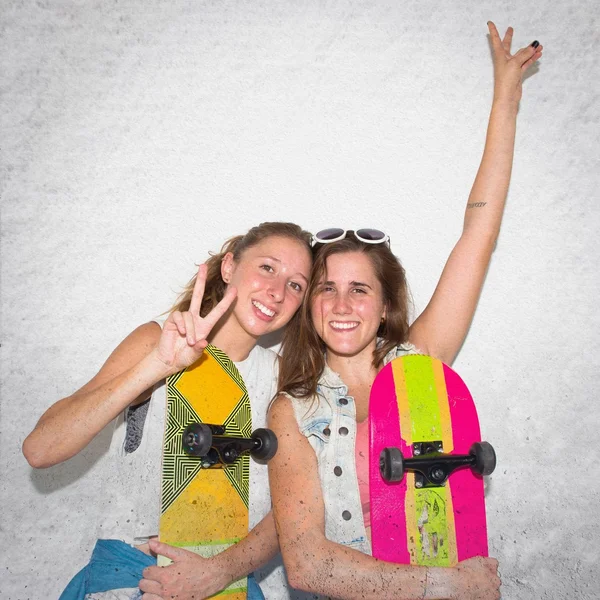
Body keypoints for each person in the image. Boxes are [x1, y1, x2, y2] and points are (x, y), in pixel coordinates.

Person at [269, 23, 542, 600]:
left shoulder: (421, 363)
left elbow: (479, 234)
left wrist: (505, 102)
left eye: (359, 289)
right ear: (308, 306)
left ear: (385, 302)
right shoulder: (292, 412)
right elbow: (309, 567)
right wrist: (446, 586)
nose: (342, 305)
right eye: (325, 288)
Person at [22, 222, 313, 600]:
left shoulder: (283, 383)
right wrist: (157, 365)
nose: (276, 292)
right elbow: (41, 450)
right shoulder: (156, 340)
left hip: (230, 585)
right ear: (229, 267)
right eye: (268, 268)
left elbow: (293, 511)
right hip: (130, 579)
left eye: (295, 285)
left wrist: (216, 572)